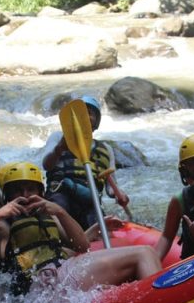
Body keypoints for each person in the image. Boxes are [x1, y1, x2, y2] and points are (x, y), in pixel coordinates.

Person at [0, 161, 161, 295]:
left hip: (62, 274)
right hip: (44, 285)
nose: (25, 195)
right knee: (144, 253)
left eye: (31, 189)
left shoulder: (48, 215)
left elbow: (82, 246)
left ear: (40, 192)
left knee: (130, 271)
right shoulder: (1, 225)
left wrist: (61, 212)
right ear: (7, 195)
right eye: (18, 190)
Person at [42, 96, 129, 230]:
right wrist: (59, 149)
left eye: (90, 113)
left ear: (96, 121)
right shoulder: (58, 138)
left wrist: (119, 195)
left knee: (99, 224)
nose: (85, 117)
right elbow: (47, 165)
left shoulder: (106, 149)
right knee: (57, 216)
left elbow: (111, 187)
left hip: (90, 199)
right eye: (81, 113)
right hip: (60, 194)